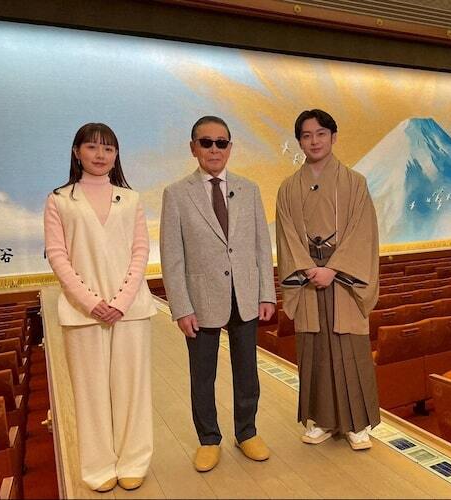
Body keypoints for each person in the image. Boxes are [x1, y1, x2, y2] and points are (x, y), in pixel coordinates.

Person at [44, 122, 157, 492]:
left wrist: (120, 301)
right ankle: (98, 467)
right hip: (82, 313)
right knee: (90, 393)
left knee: (132, 389)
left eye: (108, 148)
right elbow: (58, 256)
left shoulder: (131, 199)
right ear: (77, 152)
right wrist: (92, 302)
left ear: (116, 155)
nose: (100, 155)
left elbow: (140, 251)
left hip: (131, 310)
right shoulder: (60, 200)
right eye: (92, 147)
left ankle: (134, 460)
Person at [160, 116, 276, 472]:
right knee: (202, 376)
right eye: (206, 142)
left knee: (247, 371)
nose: (214, 149)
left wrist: (267, 293)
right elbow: (172, 256)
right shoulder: (176, 194)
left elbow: (261, 246)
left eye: (221, 143)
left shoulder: (249, 189)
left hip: (245, 295)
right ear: (193, 147)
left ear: (230, 147)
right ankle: (208, 438)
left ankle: (247, 432)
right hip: (200, 299)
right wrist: (181, 307)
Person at [275, 109, 381, 450]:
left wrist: (333, 269)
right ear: (299, 142)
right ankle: (321, 420)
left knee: (349, 347)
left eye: (321, 133)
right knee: (315, 349)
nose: (314, 141)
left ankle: (356, 424)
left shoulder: (355, 183)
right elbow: (287, 235)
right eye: (306, 136)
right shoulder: (288, 188)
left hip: (344, 278)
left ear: (333, 137)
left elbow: (362, 232)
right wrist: (309, 269)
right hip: (308, 277)